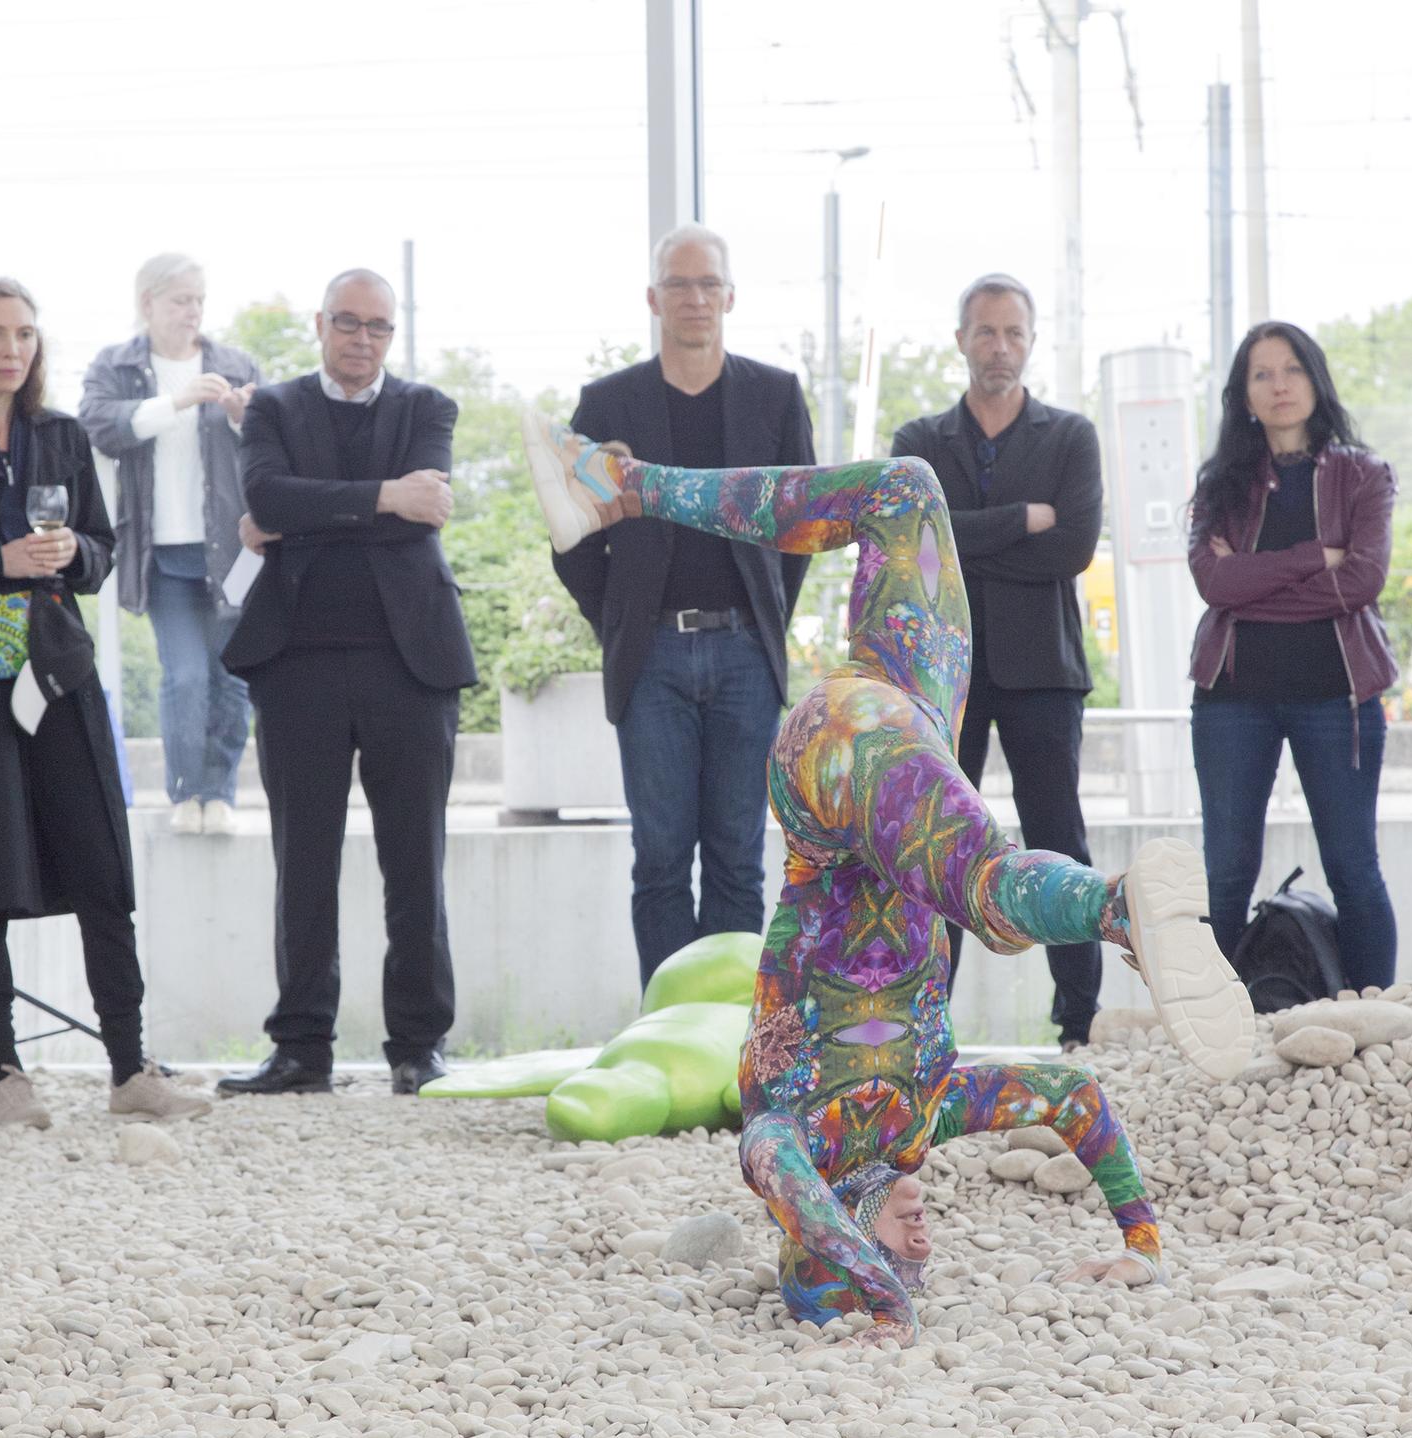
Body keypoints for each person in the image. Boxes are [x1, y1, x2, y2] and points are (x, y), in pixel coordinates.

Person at [524, 416, 1253, 1347]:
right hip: (908, 720)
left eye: (900, 1252)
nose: (922, 1241)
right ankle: (614, 485)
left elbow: (811, 1210)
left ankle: (1115, 910)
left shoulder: (786, 1142)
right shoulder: (928, 1109)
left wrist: (886, 1301)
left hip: (831, 773)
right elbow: (1077, 1101)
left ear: (818, 1248)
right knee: (904, 487)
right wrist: (1141, 1240)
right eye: (921, 1260)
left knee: (982, 888)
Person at [0, 278, 210, 1129]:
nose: (14, 349)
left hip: (57, 666)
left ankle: (131, 1067)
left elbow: (102, 546)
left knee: (99, 857)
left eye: (26, 333)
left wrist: (70, 555)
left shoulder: (59, 435)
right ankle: (5, 1074)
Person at [217, 267, 477, 1097]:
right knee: (303, 862)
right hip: (298, 663)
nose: (362, 340)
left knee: (415, 862)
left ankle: (417, 1046)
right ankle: (301, 1050)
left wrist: (309, 516)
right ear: (319, 323)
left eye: (378, 327)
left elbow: (423, 509)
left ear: (391, 334)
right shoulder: (274, 407)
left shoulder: (427, 408)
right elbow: (265, 494)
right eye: (348, 323)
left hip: (412, 665)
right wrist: (381, 498)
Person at [550, 223, 814, 991]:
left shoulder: (774, 394)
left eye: (708, 284)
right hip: (653, 658)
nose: (694, 299)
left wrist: (763, 618)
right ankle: (666, 1030)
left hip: (744, 656)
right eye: (678, 284)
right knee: (661, 857)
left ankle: (732, 1039)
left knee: (737, 855)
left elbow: (799, 529)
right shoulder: (608, 402)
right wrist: (623, 624)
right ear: (653, 298)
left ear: (730, 295)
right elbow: (570, 540)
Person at [892, 273, 1105, 1047]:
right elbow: (914, 544)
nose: (1000, 346)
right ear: (959, 340)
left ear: (1032, 340)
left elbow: (1073, 549)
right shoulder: (918, 442)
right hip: (941, 679)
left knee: (1058, 840)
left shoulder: (1071, 436)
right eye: (985, 331)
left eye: (1014, 332)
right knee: (937, 849)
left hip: (1043, 671)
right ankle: (922, 1025)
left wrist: (964, 541)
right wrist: (1022, 520)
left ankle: (1080, 1018)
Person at [1186, 322, 1400, 992]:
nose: (1279, 386)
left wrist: (1251, 581)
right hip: (1231, 698)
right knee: (1224, 871)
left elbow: (1362, 582)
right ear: (1243, 394)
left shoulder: (1364, 476)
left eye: (1292, 370)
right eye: (1262, 374)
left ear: (1315, 379)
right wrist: (1314, 560)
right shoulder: (1221, 481)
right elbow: (1212, 585)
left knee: (1353, 867)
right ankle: (1209, 1027)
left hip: (1336, 697)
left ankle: (1372, 1017)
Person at [79, 253, 262, 835]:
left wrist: (240, 418)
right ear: (148, 303)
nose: (193, 312)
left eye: (199, 300)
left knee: (233, 673)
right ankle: (185, 792)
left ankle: (221, 794)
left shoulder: (235, 364)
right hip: (161, 554)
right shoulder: (118, 365)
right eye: (181, 299)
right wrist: (178, 402)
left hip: (232, 551)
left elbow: (271, 441)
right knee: (184, 675)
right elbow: (97, 424)